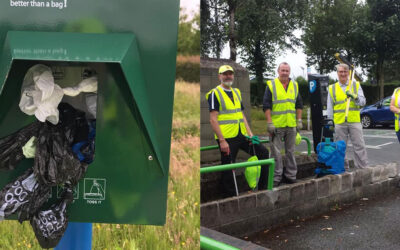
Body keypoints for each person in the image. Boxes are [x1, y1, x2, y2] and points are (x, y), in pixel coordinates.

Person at [206, 65, 270, 197]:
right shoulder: (215, 93)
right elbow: (213, 119)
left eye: (230, 74)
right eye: (225, 74)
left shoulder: (236, 92)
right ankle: (229, 197)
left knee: (263, 152)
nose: (228, 76)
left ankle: (263, 187)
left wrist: (250, 134)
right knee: (228, 166)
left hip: (242, 134)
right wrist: (222, 141)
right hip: (227, 137)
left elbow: (241, 115)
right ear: (219, 76)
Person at [263, 62, 303, 187]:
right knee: (276, 154)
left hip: (291, 125)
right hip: (276, 126)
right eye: (282, 70)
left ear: (289, 72)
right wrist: (269, 122)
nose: (285, 73)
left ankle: (291, 176)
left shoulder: (295, 85)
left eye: (287, 70)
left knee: (290, 152)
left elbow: (299, 105)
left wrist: (299, 120)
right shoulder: (271, 85)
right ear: (278, 71)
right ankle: (276, 178)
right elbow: (266, 105)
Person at [327, 63, 368, 169]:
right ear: (337, 73)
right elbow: (330, 107)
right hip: (339, 122)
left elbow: (363, 102)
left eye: (345, 72)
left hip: (354, 121)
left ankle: (362, 169)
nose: (343, 74)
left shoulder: (355, 85)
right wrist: (330, 121)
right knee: (340, 148)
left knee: (359, 146)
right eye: (341, 72)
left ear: (349, 73)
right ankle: (342, 169)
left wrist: (355, 97)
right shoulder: (332, 88)